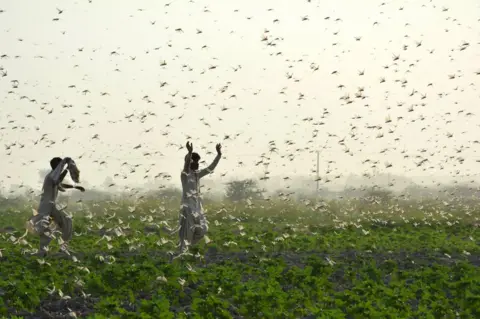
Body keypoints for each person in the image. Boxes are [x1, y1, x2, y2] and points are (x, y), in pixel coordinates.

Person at [28, 157, 85, 256]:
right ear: (56, 166)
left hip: (51, 205)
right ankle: (43, 251)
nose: (61, 168)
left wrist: (75, 186)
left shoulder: (53, 177)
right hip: (46, 206)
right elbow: (57, 180)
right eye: (60, 166)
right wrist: (66, 170)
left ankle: (62, 248)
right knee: (46, 227)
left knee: (67, 221)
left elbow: (60, 183)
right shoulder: (50, 177)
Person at [179, 141, 222, 252]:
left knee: (203, 230)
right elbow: (186, 165)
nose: (196, 163)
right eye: (194, 160)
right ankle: (182, 254)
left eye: (197, 161)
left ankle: (186, 248)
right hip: (187, 209)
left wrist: (218, 154)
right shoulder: (184, 175)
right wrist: (189, 152)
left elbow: (211, 168)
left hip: (198, 209)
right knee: (186, 235)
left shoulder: (197, 174)